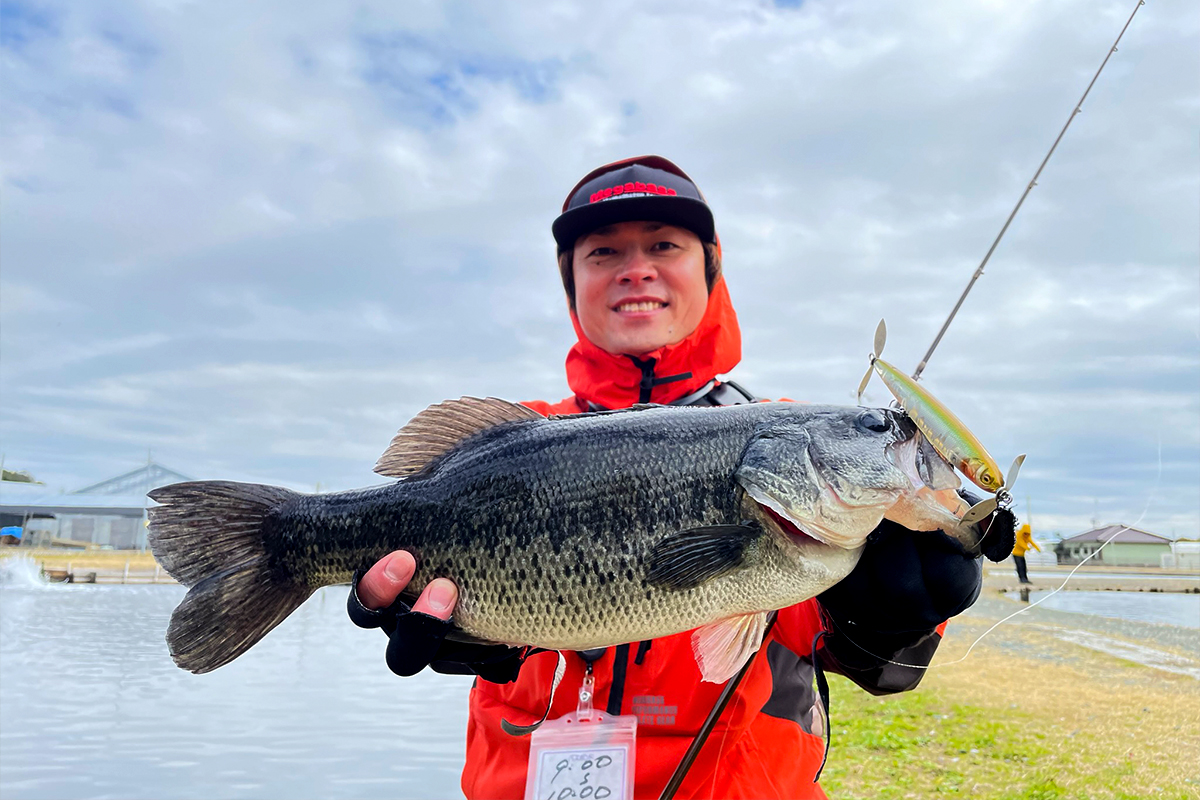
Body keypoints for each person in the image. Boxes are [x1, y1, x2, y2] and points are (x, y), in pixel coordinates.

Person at [348, 156, 1003, 799]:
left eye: (664, 245)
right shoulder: (518, 438)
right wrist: (469, 633)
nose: (637, 270)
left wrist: (892, 619)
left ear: (712, 265)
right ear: (568, 278)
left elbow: (885, 673)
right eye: (603, 253)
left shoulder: (783, 438)